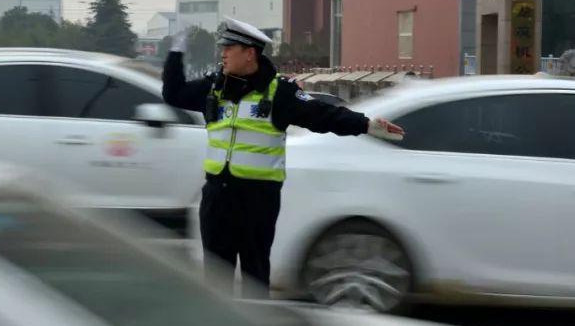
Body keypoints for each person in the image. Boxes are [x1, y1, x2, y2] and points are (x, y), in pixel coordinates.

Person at [163, 18, 405, 298]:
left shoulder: (280, 93)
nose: (223, 53)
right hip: (217, 196)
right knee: (216, 280)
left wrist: (366, 125)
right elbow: (174, 93)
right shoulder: (214, 88)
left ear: (249, 53)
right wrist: (176, 53)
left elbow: (323, 115)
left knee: (254, 278)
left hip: (257, 200)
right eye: (223, 47)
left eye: (229, 47)